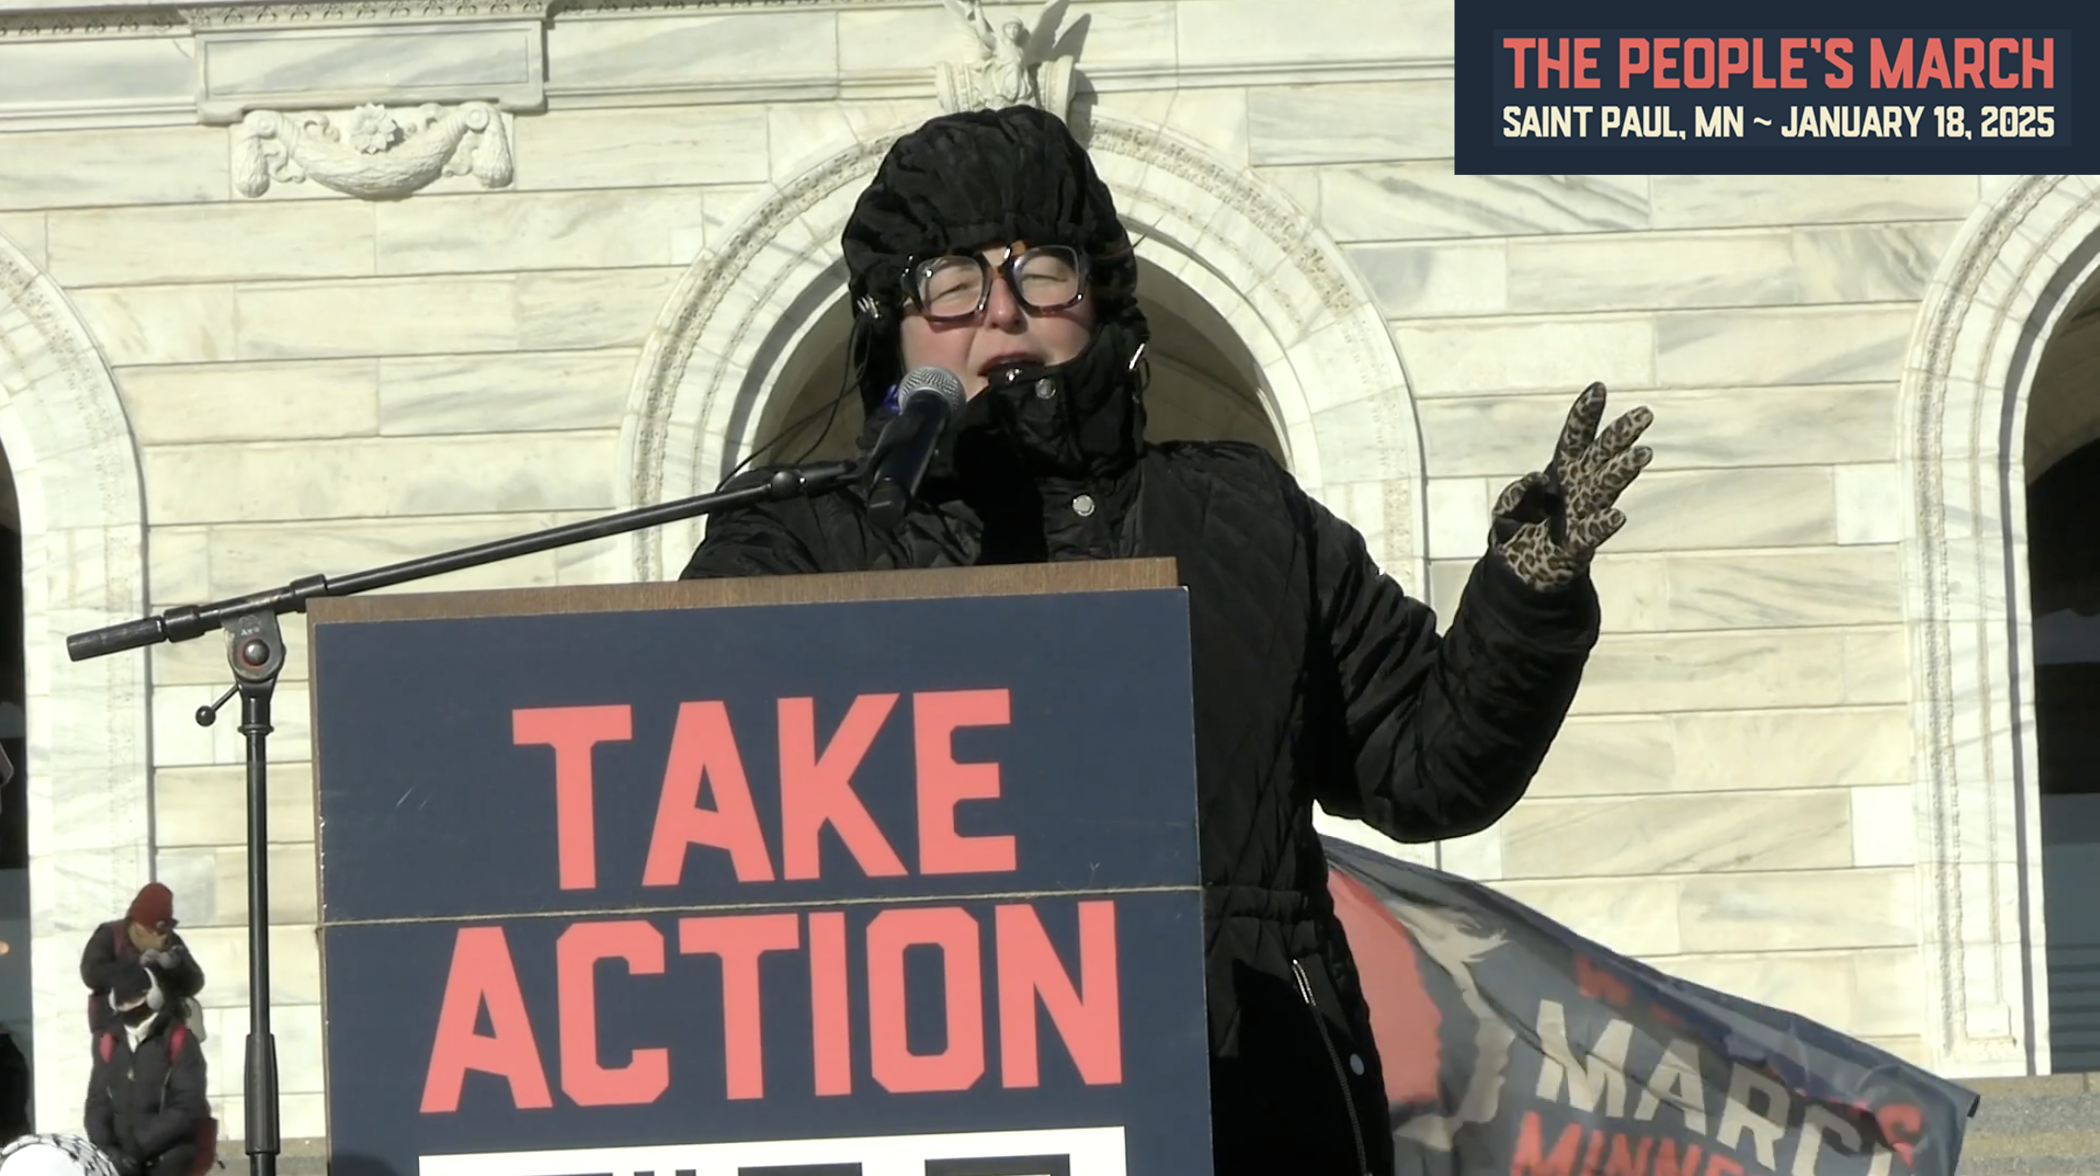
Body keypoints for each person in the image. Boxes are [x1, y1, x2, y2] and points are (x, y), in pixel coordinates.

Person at [681, 104, 1654, 1175]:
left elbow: (1430, 769)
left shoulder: (1240, 516)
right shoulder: (797, 538)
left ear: (1094, 298)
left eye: (1040, 270)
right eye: (951, 281)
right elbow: (689, 808)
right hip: (931, 1110)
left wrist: (1528, 596)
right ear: (891, 324)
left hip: (1249, 1103)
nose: (1001, 313)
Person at [82, 967, 206, 1176]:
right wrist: (108, 1151)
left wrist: (137, 1147)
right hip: (119, 1159)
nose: (129, 1007)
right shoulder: (108, 1041)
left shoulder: (178, 1038)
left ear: (153, 996)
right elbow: (97, 1103)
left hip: (168, 1155)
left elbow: (187, 1105)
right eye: (123, 1002)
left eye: (136, 998)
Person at [79, 886, 203, 1037]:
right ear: (137, 926)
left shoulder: (172, 942)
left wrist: (174, 967)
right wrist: (140, 971)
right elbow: (91, 973)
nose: (160, 938)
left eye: (163, 932)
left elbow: (195, 981)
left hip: (162, 1034)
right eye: (152, 932)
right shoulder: (110, 934)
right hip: (114, 1033)